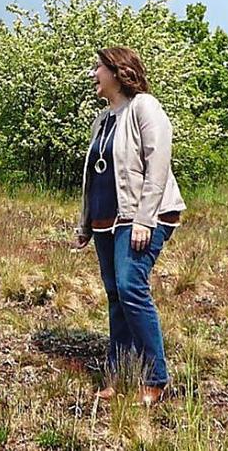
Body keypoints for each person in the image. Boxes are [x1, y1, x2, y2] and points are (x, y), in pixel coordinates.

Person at [72, 47, 185, 406]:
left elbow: (158, 164)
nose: (93, 75)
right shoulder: (103, 119)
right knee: (115, 295)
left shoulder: (144, 107)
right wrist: (85, 224)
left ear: (118, 72)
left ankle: (156, 378)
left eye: (98, 68)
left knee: (130, 287)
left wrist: (144, 218)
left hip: (142, 217)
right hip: (106, 221)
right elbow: (94, 176)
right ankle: (118, 375)